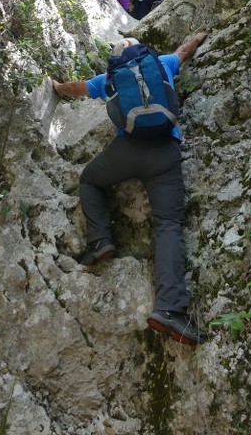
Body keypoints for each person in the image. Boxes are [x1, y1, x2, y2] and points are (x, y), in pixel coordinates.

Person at [52, 32, 209, 346]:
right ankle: (169, 309)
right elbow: (183, 51)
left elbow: (75, 89)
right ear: (141, 49)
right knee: (168, 226)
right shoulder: (160, 63)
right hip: (165, 152)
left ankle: (100, 241)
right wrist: (196, 38)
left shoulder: (110, 76)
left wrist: (55, 87)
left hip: (127, 150)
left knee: (90, 180)